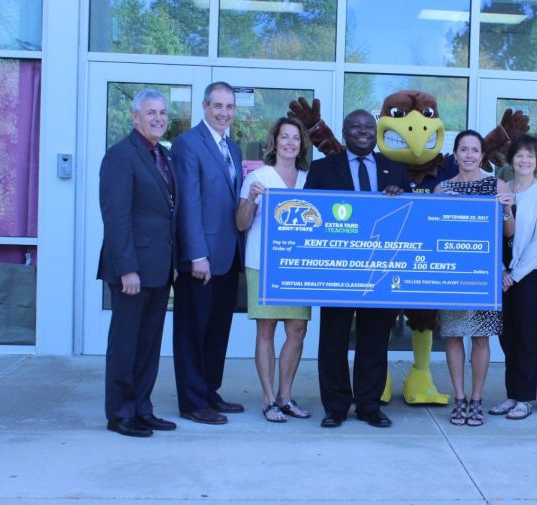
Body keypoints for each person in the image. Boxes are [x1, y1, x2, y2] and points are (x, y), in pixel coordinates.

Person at [304, 109, 410, 428]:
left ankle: (368, 405)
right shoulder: (323, 168)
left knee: (375, 340)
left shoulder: (395, 169)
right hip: (337, 270)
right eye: (355, 126)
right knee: (333, 340)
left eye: (368, 126)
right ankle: (335, 406)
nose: (362, 131)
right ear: (345, 130)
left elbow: (409, 215)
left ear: (376, 132)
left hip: (379, 271)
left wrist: (399, 195)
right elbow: (311, 215)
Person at [98, 88, 178, 437]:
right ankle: (120, 413)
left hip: (159, 270)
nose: (158, 118)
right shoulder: (121, 156)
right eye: (150, 113)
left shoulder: (163, 155)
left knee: (148, 346)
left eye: (162, 112)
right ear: (135, 117)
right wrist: (127, 267)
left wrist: (173, 260)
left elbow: (167, 215)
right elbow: (117, 218)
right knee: (126, 344)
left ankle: (142, 408)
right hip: (132, 271)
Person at [171, 81, 245, 425]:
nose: (224, 113)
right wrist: (196, 254)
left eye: (229, 107)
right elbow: (188, 202)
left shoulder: (234, 147)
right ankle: (191, 400)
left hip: (228, 255)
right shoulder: (188, 144)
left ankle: (209, 391)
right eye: (218, 106)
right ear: (204, 107)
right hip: (200, 259)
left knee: (218, 329)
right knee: (192, 330)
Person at [435, 130, 515, 427]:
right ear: (454, 154)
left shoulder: (496, 184)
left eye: (475, 150)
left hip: (484, 274)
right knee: (454, 337)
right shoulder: (442, 189)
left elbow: (509, 233)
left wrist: (506, 209)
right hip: (453, 274)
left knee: (481, 338)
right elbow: (433, 232)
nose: (469, 155)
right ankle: (459, 400)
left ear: (483, 155)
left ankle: (477, 400)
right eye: (463, 149)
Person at [236, 118, 312, 423]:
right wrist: (252, 198)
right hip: (263, 264)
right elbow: (241, 223)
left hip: (299, 266)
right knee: (265, 331)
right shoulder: (258, 176)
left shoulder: (309, 178)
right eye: (285, 137)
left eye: (296, 138)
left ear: (302, 144)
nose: (290, 143)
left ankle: (285, 396)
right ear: (274, 141)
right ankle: (268, 399)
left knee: (297, 330)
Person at [488, 134, 537, 421]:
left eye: (530, 155)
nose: (525, 160)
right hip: (505, 274)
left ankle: (525, 398)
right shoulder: (504, 189)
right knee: (507, 338)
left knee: (527, 337)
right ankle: (512, 394)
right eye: (520, 155)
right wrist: (502, 270)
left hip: (532, 274)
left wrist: (514, 274)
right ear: (511, 159)